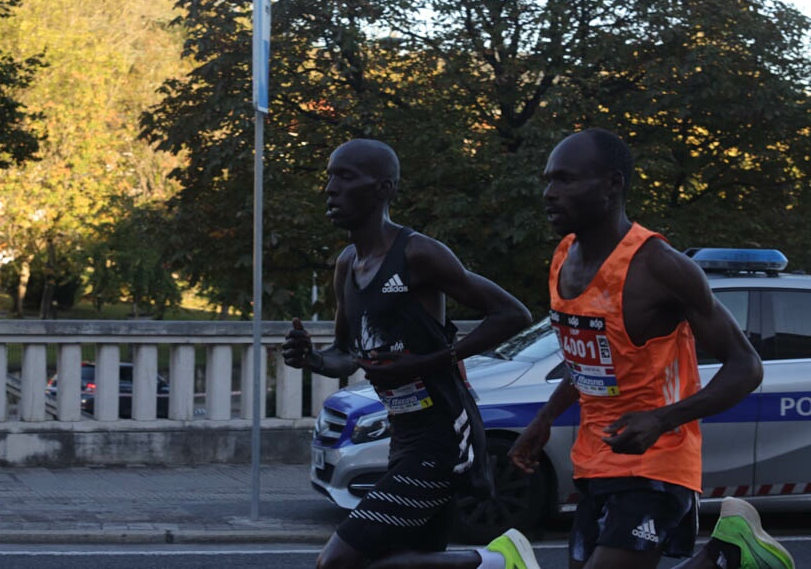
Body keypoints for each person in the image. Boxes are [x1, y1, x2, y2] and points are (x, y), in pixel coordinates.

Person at [508, 128, 794, 569]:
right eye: (548, 180)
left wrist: (662, 419)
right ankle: (728, 557)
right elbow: (590, 362)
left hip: (655, 461)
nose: (549, 193)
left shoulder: (660, 267)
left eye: (565, 180)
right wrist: (543, 420)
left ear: (612, 184)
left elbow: (746, 367)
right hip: (595, 458)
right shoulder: (564, 255)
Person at [282, 138, 537, 569]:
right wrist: (311, 359)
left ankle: (495, 561)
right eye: (329, 176)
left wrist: (428, 362)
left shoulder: (418, 253)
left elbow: (512, 314)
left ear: (383, 188)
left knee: (338, 563)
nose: (330, 188)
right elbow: (346, 354)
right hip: (402, 436)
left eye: (345, 176)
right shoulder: (348, 264)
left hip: (443, 438)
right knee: (408, 559)